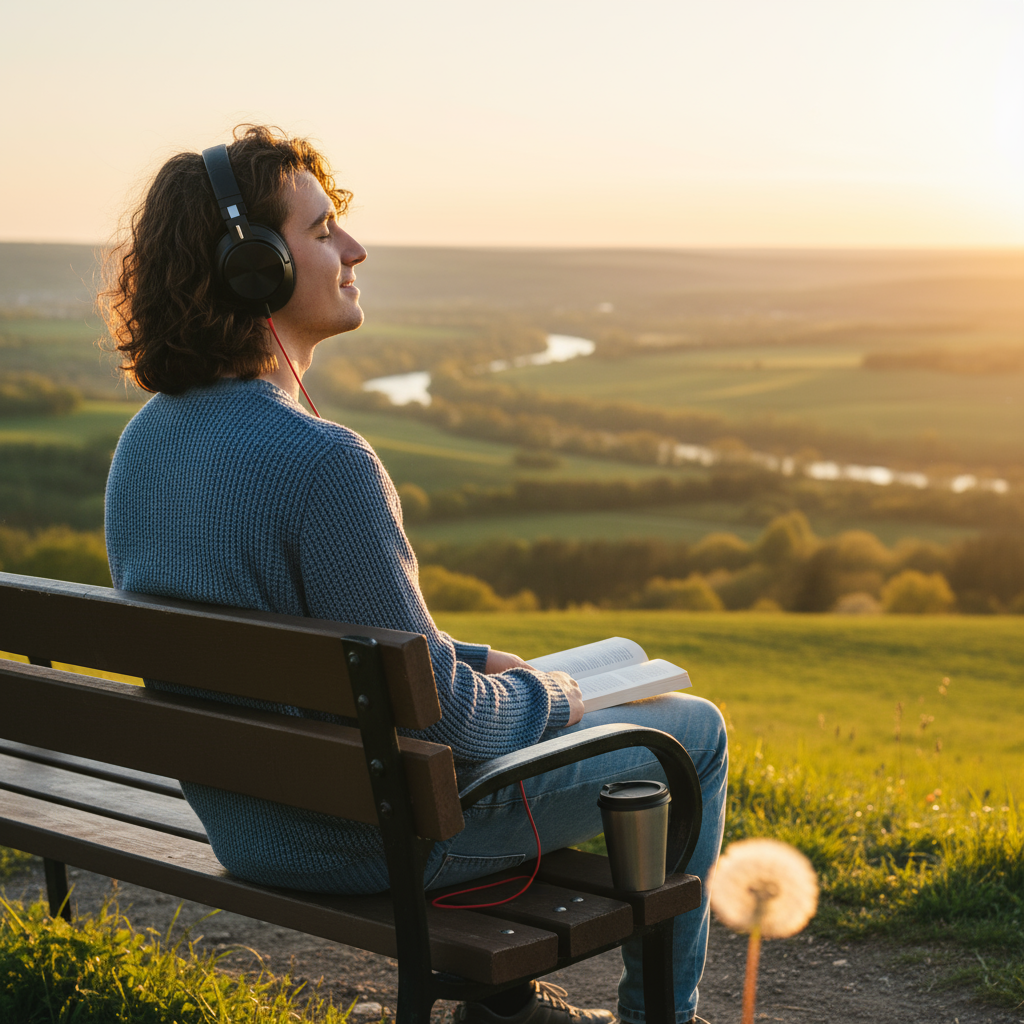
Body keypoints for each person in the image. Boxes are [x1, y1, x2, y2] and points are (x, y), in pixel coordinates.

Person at [102, 125, 727, 1024]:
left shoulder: (144, 446)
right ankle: (660, 1016)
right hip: (370, 844)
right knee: (690, 731)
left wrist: (475, 658)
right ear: (255, 268)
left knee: (525, 690)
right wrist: (554, 695)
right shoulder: (326, 465)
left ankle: (501, 1007)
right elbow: (453, 722)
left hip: (251, 828)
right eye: (322, 232)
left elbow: (337, 646)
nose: (354, 249)